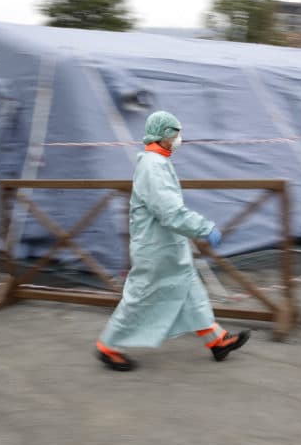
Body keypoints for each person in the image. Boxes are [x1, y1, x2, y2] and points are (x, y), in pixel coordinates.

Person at [95, 110, 251, 371]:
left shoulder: (158, 162)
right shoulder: (153, 166)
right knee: (141, 296)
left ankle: (217, 341)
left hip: (166, 246)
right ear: (164, 134)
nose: (179, 138)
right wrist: (204, 227)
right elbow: (169, 211)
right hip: (155, 249)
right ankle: (107, 347)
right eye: (176, 132)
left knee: (191, 291)